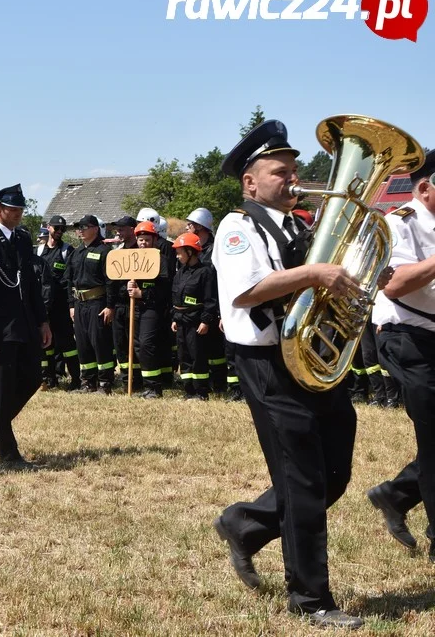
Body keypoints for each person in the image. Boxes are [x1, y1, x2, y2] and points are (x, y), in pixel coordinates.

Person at [211, 120, 380, 629]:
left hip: (310, 361)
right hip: (268, 365)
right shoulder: (237, 226)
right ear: (251, 182)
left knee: (334, 473)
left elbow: (326, 284)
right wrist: (313, 272)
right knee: (303, 479)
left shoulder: (300, 224)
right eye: (279, 172)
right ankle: (311, 600)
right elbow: (247, 290)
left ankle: (244, 524)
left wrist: (367, 273)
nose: (293, 179)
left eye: (295, 170)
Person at [365, 152, 435, 559]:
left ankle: (396, 494)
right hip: (406, 338)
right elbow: (396, 285)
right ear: (424, 188)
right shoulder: (398, 222)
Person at [0, 184, 50, 468]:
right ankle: (8, 454)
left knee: (33, 377)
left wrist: (42, 321)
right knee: (2, 388)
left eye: (19, 210)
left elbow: (31, 284)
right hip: (0, 327)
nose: (17, 215)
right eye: (11, 209)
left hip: (25, 323)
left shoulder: (23, 239)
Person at [66, 214, 115, 394]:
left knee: (100, 343)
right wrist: (71, 305)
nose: (80, 230)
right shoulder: (76, 253)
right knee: (83, 344)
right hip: (79, 304)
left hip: (98, 303)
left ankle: (105, 383)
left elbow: (111, 281)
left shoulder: (105, 251)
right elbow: (69, 281)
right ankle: (88, 382)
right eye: (79, 227)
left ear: (95, 228)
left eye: (84, 227)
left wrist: (110, 306)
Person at [170, 232, 217, 400]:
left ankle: (201, 392)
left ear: (190, 252)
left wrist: (205, 321)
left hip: (196, 322)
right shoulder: (180, 273)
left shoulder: (205, 272)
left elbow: (210, 300)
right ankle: (188, 390)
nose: (177, 255)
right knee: (184, 357)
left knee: (198, 356)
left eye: (179, 252)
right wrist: (175, 318)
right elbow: (175, 298)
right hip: (181, 321)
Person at [127, 221, 171, 398]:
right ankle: (147, 386)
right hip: (136, 308)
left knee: (146, 344)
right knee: (138, 345)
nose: (143, 243)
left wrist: (142, 293)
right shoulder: (133, 258)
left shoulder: (162, 260)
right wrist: (129, 287)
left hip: (152, 309)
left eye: (146, 239)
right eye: (140, 240)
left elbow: (165, 288)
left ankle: (155, 388)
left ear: (154, 239)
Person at [38, 216, 79, 390]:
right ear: (48, 228)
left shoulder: (67, 250)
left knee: (67, 345)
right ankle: (49, 378)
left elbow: (70, 280)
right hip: (44, 306)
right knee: (46, 344)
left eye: (62, 229)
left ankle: (76, 379)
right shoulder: (39, 251)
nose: (60, 231)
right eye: (57, 228)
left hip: (61, 306)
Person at [106, 216, 142, 390]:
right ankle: (126, 377)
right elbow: (111, 282)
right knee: (120, 343)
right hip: (119, 305)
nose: (118, 232)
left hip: (135, 304)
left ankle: (137, 380)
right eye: (117, 229)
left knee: (134, 343)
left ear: (132, 229)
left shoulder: (142, 251)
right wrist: (110, 306)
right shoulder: (117, 253)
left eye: (121, 229)